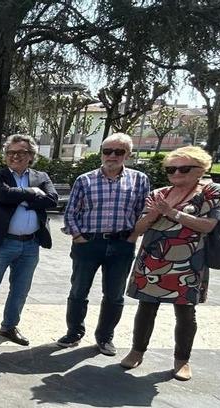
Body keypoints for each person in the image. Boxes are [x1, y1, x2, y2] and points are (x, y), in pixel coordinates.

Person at [121, 146, 220, 381]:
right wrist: (153, 215)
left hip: (188, 262)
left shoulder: (211, 192)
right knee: (146, 308)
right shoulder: (159, 193)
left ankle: (182, 360)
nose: (176, 173)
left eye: (184, 168)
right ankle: (137, 351)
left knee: (186, 313)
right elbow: (137, 230)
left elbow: (208, 225)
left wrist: (172, 213)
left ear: (201, 170)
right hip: (152, 260)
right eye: (171, 168)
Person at [58, 132, 150, 355]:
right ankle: (74, 332)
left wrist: (133, 237)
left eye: (118, 152)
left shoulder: (139, 180)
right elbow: (71, 213)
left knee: (114, 294)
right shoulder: (85, 180)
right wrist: (79, 238)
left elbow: (144, 212)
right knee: (79, 291)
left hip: (122, 244)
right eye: (107, 151)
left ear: (127, 154)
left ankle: (105, 337)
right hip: (89, 244)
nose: (112, 156)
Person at [0, 134, 59, 346]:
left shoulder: (42, 176)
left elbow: (52, 199)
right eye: (11, 153)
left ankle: (9, 326)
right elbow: (0, 194)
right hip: (2, 243)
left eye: (21, 152)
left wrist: (19, 198)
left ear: (31, 155)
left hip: (31, 244)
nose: (15, 156)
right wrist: (31, 194)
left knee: (20, 290)